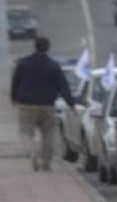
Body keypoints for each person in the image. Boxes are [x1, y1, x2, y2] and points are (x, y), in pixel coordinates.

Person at [11, 36, 76, 171]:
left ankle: (33, 153)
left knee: (26, 132)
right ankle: (46, 162)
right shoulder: (53, 66)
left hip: (26, 104)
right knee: (48, 134)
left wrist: (13, 98)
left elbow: (15, 82)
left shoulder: (23, 64)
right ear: (48, 48)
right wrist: (70, 103)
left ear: (35, 46)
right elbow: (63, 85)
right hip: (47, 104)